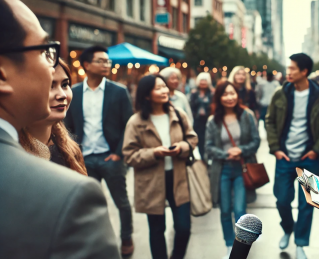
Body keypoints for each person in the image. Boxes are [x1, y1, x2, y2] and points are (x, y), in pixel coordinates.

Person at [0, 0, 120, 258]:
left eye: (64, 84)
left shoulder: (68, 150)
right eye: (43, 51)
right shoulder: (70, 197)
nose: (51, 68)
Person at [64, 45, 135, 255]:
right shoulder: (74, 91)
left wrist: (118, 154)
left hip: (110, 157)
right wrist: (74, 153)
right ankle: (97, 242)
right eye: (101, 61)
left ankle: (126, 238)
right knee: (90, 206)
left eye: (108, 61)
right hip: (84, 159)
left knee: (122, 202)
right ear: (87, 65)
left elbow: (128, 125)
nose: (106, 64)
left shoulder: (119, 91)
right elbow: (68, 126)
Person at [265, 53, 319, 259]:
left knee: (307, 203)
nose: (288, 72)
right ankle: (288, 228)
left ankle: (301, 243)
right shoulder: (281, 93)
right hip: (284, 158)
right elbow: (269, 121)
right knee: (282, 200)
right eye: (288, 68)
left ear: (304, 72)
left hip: (308, 159)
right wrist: (276, 148)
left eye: (292, 68)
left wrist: (316, 150)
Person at [122, 75, 196, 259]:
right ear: (147, 95)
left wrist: (182, 148)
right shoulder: (136, 121)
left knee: (184, 228)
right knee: (156, 230)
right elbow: (129, 155)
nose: (164, 91)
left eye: (164, 87)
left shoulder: (178, 114)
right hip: (151, 181)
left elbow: (192, 138)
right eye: (158, 88)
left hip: (178, 178)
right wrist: (155, 153)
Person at [205, 81, 261, 259]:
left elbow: (255, 141)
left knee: (239, 210)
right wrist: (225, 153)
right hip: (222, 169)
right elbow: (208, 147)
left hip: (241, 169)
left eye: (232, 93)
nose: (230, 97)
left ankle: (241, 245)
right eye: (225, 94)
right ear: (219, 98)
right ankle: (230, 244)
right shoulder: (213, 120)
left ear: (237, 95)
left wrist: (241, 150)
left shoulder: (247, 115)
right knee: (224, 210)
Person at [19, 59, 87, 175]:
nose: (62, 95)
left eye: (65, 85)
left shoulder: (70, 149)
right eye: (50, 86)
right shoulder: (9, 150)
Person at [190, 72, 214, 160]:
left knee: (208, 139)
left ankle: (208, 158)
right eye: (201, 80)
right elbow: (191, 107)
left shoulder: (212, 93)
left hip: (208, 120)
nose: (203, 82)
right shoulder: (194, 93)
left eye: (205, 80)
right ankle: (202, 159)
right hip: (197, 121)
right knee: (199, 140)